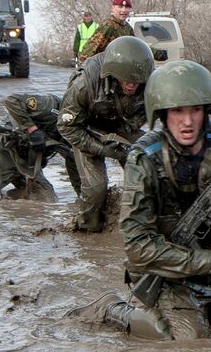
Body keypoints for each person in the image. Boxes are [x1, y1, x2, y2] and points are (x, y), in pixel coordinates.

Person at [67, 60, 211, 340]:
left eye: (195, 110)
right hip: (163, 270)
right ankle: (112, 309)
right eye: (177, 111)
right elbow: (137, 247)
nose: (187, 122)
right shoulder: (144, 159)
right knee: (189, 339)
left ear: (208, 111)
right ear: (161, 114)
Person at [58, 36, 155, 232]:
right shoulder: (84, 84)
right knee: (96, 189)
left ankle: (143, 223)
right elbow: (67, 126)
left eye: (137, 82)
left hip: (122, 126)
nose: (132, 86)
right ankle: (87, 230)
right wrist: (102, 149)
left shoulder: (150, 83)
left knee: (149, 167)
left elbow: (153, 116)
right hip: (86, 129)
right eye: (127, 81)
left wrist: (129, 146)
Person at [78, 0, 167, 63]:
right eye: (120, 7)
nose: (123, 10)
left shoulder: (127, 28)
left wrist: (158, 54)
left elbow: (137, 47)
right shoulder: (108, 26)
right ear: (113, 8)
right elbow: (86, 54)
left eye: (127, 7)